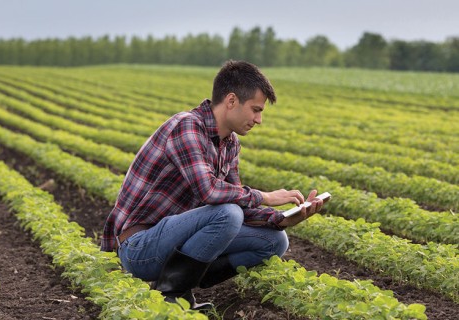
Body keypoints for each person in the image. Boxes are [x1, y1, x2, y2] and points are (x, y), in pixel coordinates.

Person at [100, 60, 325, 310]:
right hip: (140, 247)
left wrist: (283, 219)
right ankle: (173, 296)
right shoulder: (186, 126)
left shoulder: (230, 143)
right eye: (255, 109)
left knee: (275, 241)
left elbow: (239, 200)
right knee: (227, 213)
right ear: (231, 101)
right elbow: (209, 191)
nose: (259, 119)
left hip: (176, 241)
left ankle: (186, 278)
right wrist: (265, 196)